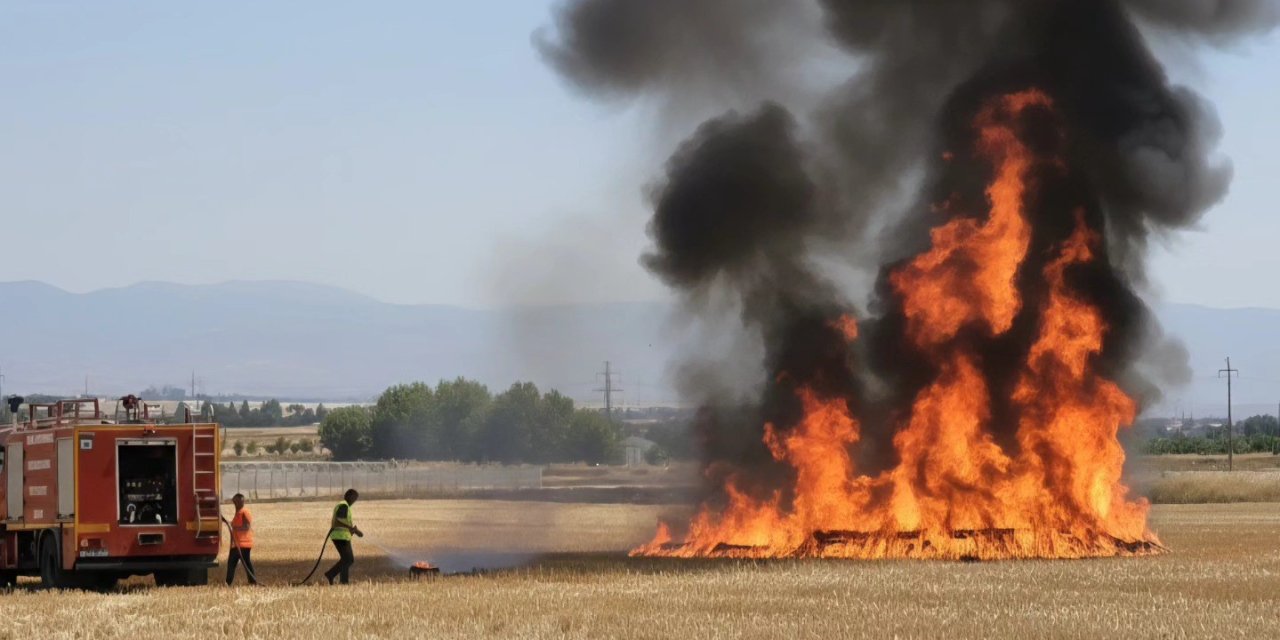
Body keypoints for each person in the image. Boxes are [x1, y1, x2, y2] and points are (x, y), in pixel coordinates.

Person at [324, 488, 363, 585]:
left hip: (342, 536)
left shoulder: (345, 506)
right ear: (349, 496)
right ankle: (331, 574)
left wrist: (353, 530)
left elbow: (342, 521)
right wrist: (352, 528)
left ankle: (344, 581)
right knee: (348, 559)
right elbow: (339, 519)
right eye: (354, 498)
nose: (355, 501)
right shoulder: (343, 505)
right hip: (339, 536)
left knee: (346, 559)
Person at [224, 493, 257, 585]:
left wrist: (234, 527)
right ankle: (252, 581)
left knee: (232, 563)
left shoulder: (244, 512)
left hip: (243, 543)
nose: (235, 503)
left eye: (236, 501)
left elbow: (246, 527)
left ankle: (228, 583)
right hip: (238, 544)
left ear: (241, 502)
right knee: (246, 563)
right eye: (234, 502)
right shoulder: (238, 512)